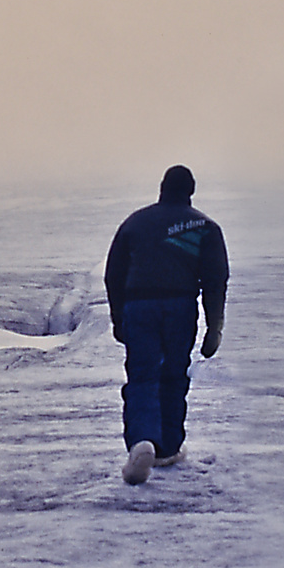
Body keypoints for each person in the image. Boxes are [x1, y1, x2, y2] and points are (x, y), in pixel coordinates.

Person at [104, 165, 228, 485]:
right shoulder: (205, 227)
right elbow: (215, 280)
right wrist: (215, 328)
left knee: (143, 376)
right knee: (173, 375)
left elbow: (114, 275)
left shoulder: (135, 223)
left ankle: (142, 440)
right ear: (191, 191)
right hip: (180, 306)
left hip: (139, 305)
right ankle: (168, 447)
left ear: (161, 187)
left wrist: (119, 318)